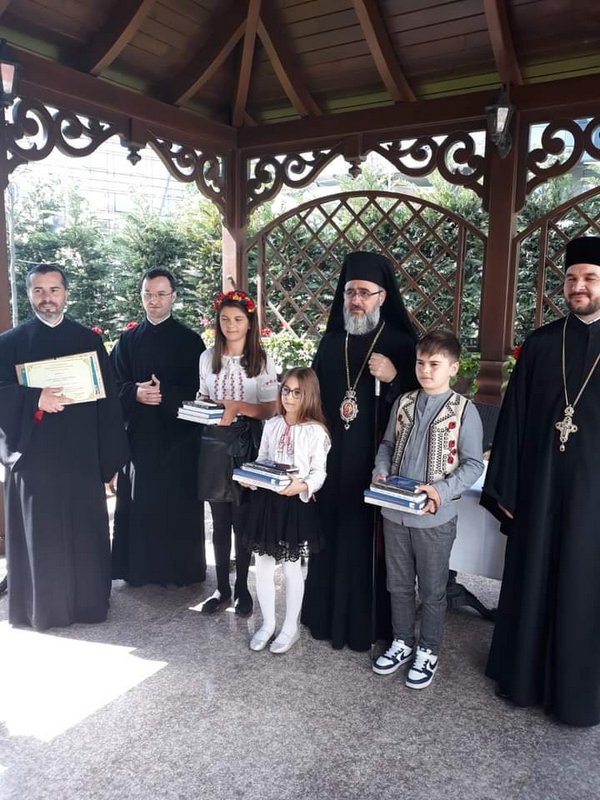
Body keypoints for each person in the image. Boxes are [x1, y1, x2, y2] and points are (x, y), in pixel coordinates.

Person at [482, 235, 600, 727]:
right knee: (531, 577)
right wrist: (507, 486)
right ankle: (523, 678)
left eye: (589, 278)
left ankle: (575, 692)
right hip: (541, 487)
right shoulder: (542, 343)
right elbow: (512, 419)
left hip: (593, 498)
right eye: (571, 278)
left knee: (583, 583)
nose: (578, 286)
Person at [301, 250, 418, 651]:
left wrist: (395, 376)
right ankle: (324, 616)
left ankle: (370, 624)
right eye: (350, 291)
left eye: (365, 293)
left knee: (368, 541)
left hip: (376, 462)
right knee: (330, 534)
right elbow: (312, 400)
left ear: (382, 297)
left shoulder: (401, 342)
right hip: (332, 459)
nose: (356, 300)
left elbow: (419, 403)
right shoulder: (332, 341)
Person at [0, 264, 128, 631]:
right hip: (34, 456)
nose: (47, 298)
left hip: (80, 455)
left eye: (54, 290)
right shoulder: (9, 343)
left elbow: (108, 402)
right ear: (29, 294)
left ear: (66, 293)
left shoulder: (89, 341)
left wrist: (109, 459)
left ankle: (88, 604)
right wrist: (35, 398)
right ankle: (42, 608)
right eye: (39, 290)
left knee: (83, 531)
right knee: (42, 534)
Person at [372, 330, 483, 688]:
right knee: (398, 583)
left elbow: (473, 464)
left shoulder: (464, 410)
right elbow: (387, 444)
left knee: (433, 590)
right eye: (421, 363)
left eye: (435, 364)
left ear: (453, 368)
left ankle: (428, 649)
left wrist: (440, 490)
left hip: (435, 517)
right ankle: (402, 641)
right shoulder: (404, 402)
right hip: (394, 511)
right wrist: (380, 469)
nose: (426, 370)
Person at [110, 268, 206, 587]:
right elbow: (111, 385)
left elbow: (200, 390)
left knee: (175, 505)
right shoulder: (127, 340)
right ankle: (138, 571)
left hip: (178, 439)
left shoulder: (190, 341)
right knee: (139, 504)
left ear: (173, 297)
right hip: (139, 438)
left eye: (161, 294)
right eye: (148, 294)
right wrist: (134, 393)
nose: (154, 300)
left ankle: (179, 572)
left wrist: (165, 394)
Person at [198, 290, 278, 617]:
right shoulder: (207, 357)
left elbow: (272, 408)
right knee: (219, 520)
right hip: (214, 442)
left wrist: (238, 407)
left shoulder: (261, 359)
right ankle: (221, 588)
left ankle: (242, 586)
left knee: (242, 518)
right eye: (225, 319)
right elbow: (204, 396)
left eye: (238, 319)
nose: (231, 325)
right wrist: (206, 406)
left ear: (249, 323)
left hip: (247, 442)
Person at [242, 367, 331, 654]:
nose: (289, 397)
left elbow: (319, 472)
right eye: (286, 390)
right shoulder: (272, 424)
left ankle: (290, 628)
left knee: (292, 568)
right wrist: (251, 478)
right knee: (263, 565)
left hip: (295, 505)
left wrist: (302, 486)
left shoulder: (316, 431)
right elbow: (263, 460)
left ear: (309, 395)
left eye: (297, 393)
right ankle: (268, 624)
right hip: (267, 503)